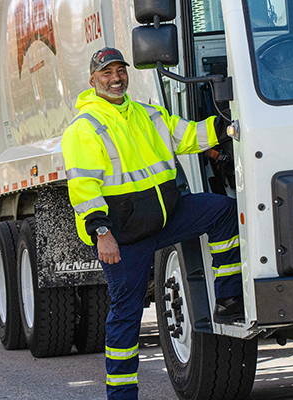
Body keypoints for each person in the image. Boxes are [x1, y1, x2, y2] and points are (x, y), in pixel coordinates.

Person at [61, 47, 243, 400]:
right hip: (124, 236)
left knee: (222, 211)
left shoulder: (147, 114)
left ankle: (228, 299)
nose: (116, 79)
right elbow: (83, 188)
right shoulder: (84, 128)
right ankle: (122, 394)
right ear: (93, 80)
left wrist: (229, 127)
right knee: (125, 315)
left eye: (120, 71)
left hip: (167, 218)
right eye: (107, 73)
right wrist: (102, 233)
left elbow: (189, 135)